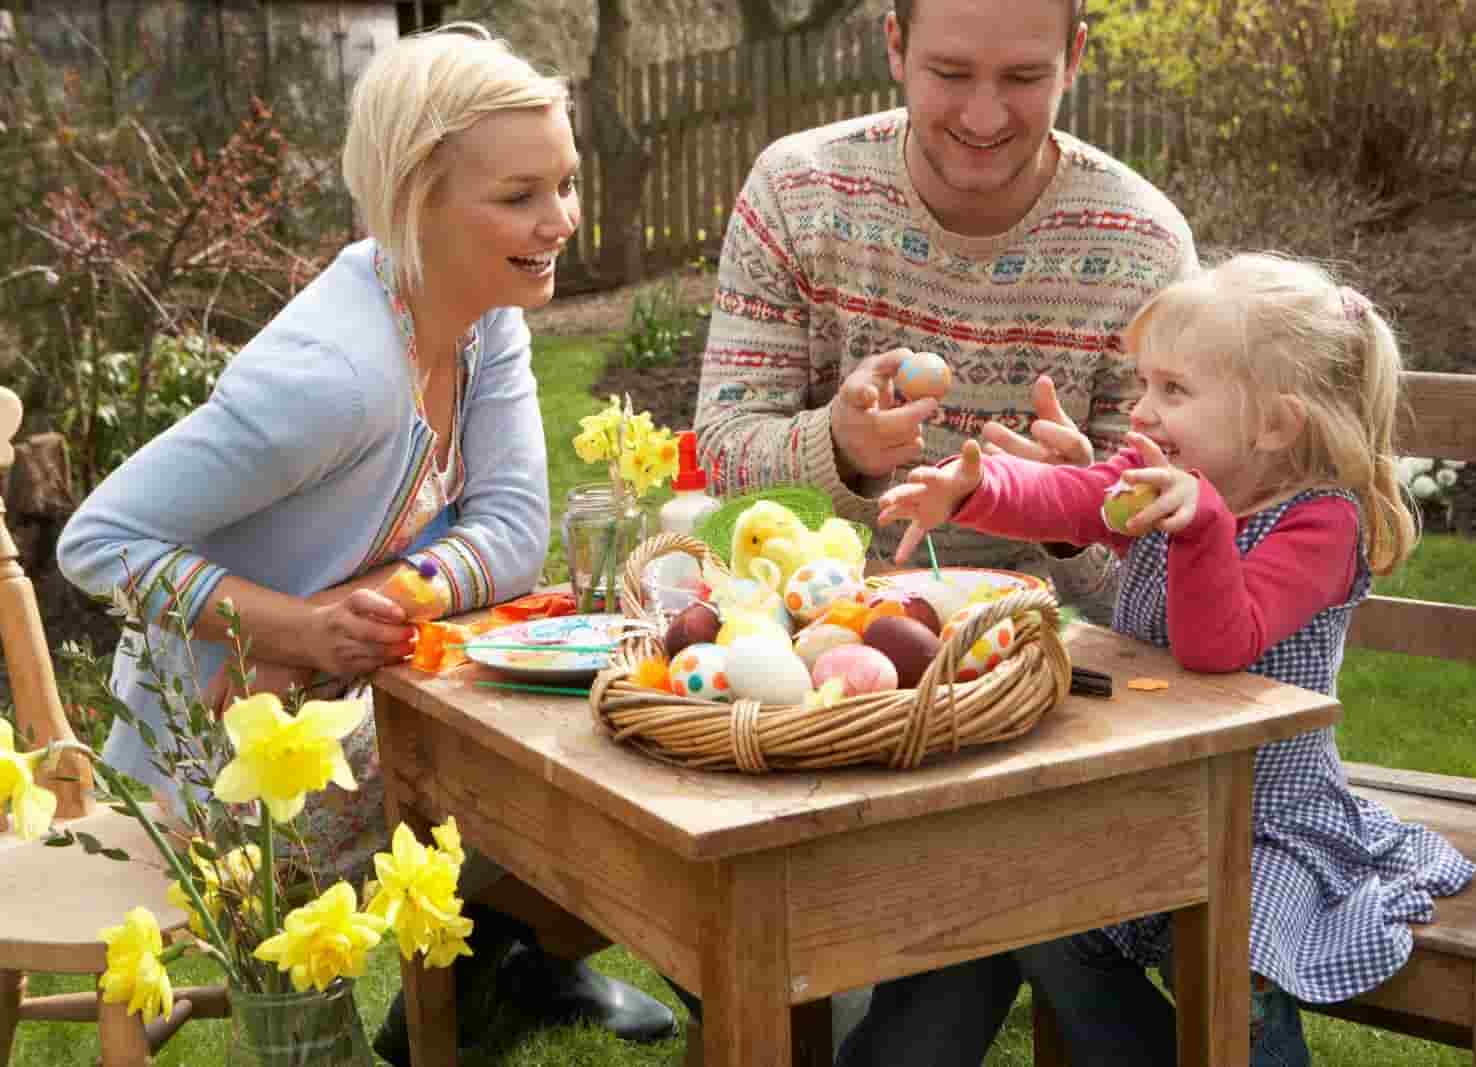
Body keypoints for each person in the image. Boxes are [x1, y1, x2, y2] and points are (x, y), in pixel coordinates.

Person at [55, 22, 675, 1064]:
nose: (561, 219)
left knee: (598, 732)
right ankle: (493, 972)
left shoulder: (483, 314)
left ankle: (512, 968)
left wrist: (370, 603)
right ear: (417, 195)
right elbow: (98, 539)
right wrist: (293, 625)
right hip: (219, 757)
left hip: (339, 698)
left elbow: (515, 532)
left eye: (563, 184)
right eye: (520, 196)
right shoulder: (330, 375)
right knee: (575, 779)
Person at [876, 252, 1476, 1064]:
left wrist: (1201, 530)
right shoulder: (1163, 474)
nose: (1142, 413)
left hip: (1263, 815)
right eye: (1145, 386)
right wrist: (973, 490)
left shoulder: (1321, 525)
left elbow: (1218, 644)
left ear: (1273, 423)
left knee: (1235, 951)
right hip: (1150, 784)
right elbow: (1073, 496)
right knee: (1052, 915)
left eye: (1175, 392)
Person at [693, 0, 1198, 625]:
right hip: (810, 634)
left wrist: (1070, 513)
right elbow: (722, 457)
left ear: (1073, 60)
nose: (982, 116)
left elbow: (1167, 581)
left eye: (1022, 77)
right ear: (896, 46)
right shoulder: (795, 194)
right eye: (951, 74)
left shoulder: (1144, 249)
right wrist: (838, 448)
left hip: (1039, 655)